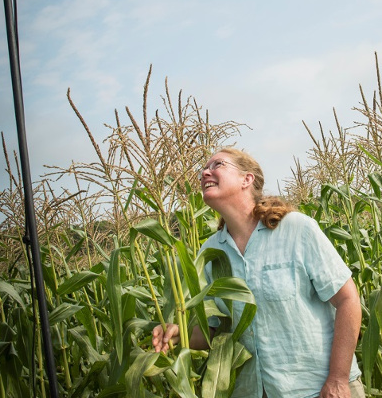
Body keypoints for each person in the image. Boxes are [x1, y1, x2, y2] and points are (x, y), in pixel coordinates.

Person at [152, 147, 364, 398]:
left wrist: (338, 379)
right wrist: (178, 334)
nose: (205, 172)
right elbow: (212, 330)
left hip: (319, 388)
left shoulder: (296, 229)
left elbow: (348, 300)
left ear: (246, 179)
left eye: (217, 164)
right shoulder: (209, 254)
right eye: (203, 169)